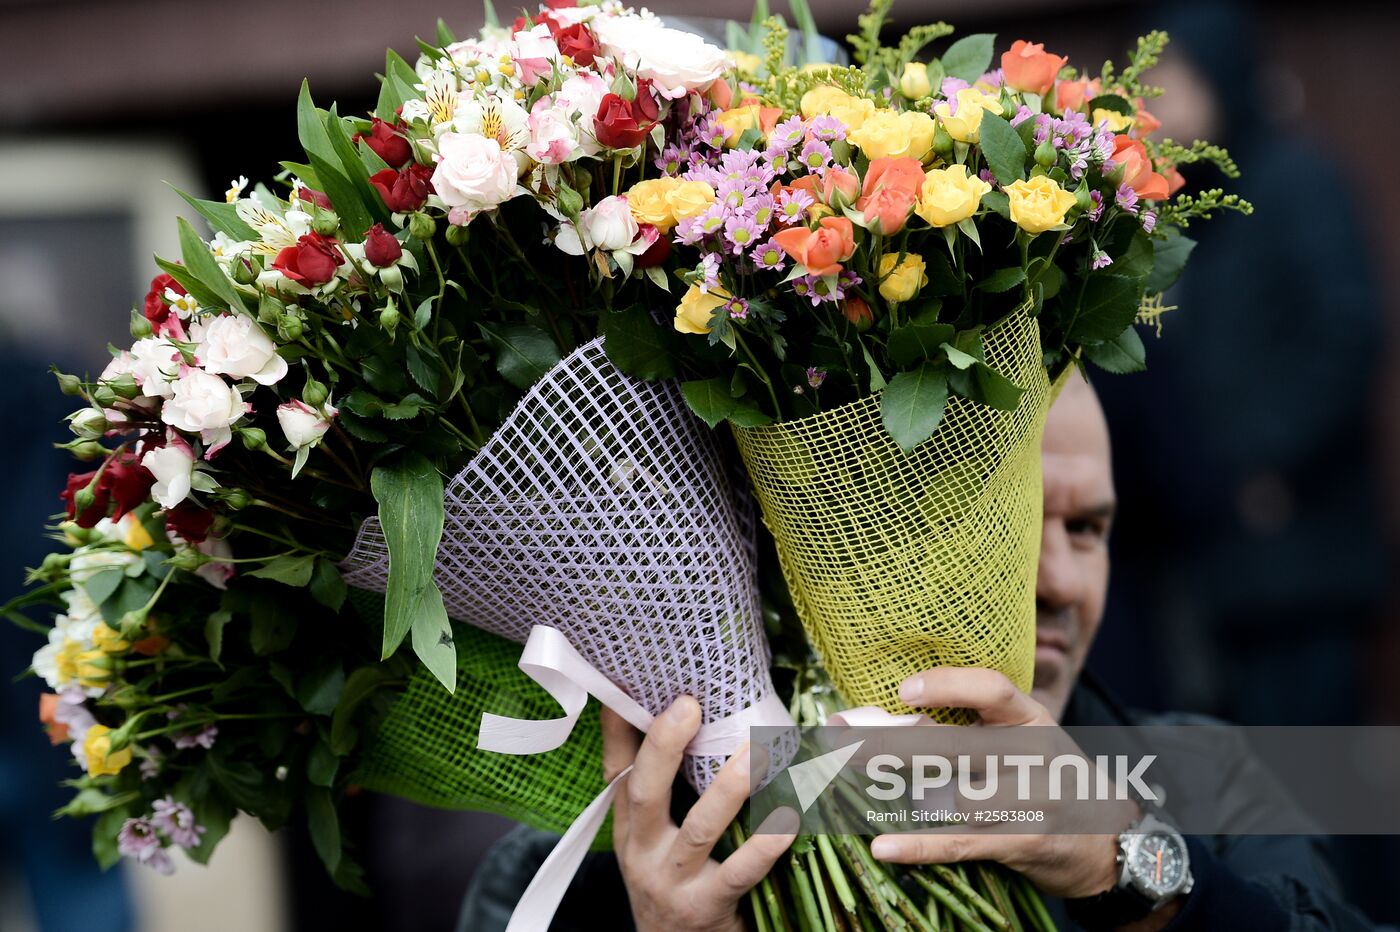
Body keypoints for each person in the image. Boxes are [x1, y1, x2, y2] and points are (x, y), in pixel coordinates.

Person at [459, 375, 1382, 931]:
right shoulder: (578, 875)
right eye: (1008, 525)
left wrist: (1128, 867)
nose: (1060, 582)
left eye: (1091, 529)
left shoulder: (1203, 779)